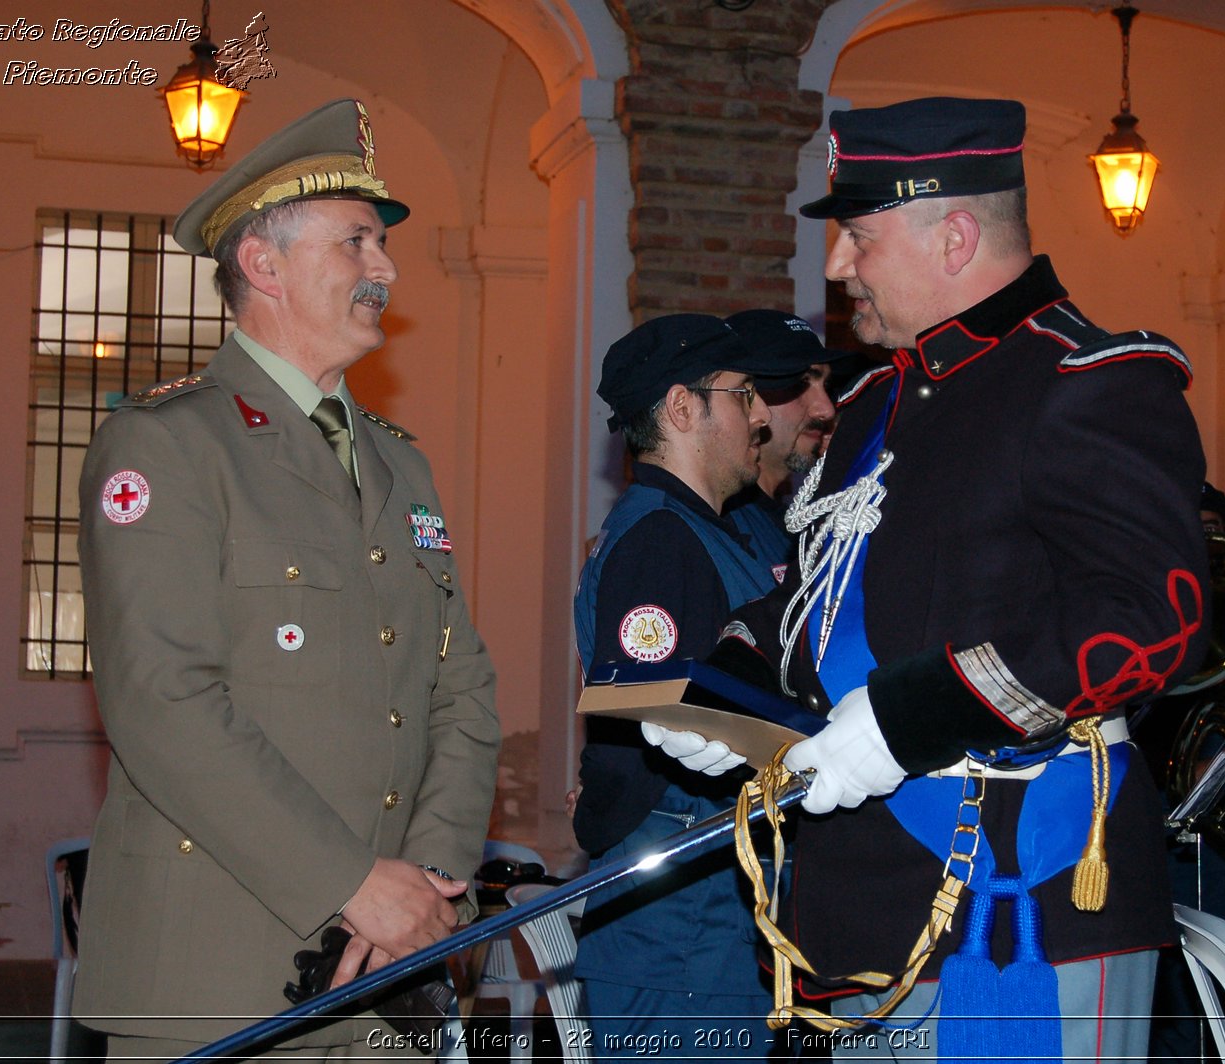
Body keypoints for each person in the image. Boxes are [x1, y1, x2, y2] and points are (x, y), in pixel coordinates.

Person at [648, 97, 1210, 1059]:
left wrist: (913, 714)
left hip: (1015, 898)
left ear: (953, 236)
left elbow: (1152, 619)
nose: (836, 268)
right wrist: (729, 682)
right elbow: (813, 595)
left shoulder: (1089, 380)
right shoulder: (874, 404)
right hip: (854, 911)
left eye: (858, 238)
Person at [72, 99, 502, 1059]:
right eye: (357, 242)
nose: (385, 269)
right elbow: (162, 699)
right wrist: (352, 882)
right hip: (215, 979)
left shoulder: (400, 463)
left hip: (390, 975)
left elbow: (462, 691)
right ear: (264, 264)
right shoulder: (169, 445)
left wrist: (424, 885)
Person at [573, 313, 826, 1062]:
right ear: (683, 409)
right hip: (679, 924)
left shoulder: (720, 528)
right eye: (742, 395)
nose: (758, 417)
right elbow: (647, 710)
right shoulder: (659, 538)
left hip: (719, 910)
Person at [721, 309, 849, 570]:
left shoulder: (787, 521)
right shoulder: (721, 525)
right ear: (745, 393)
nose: (826, 409)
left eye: (826, 386)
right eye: (800, 383)